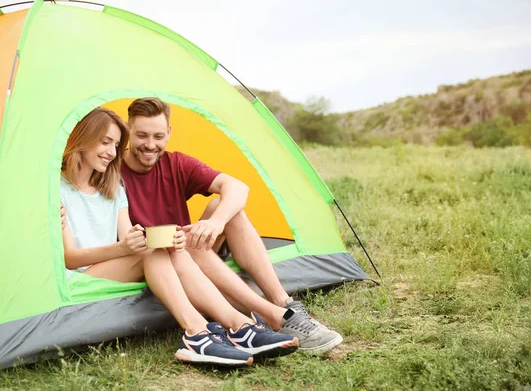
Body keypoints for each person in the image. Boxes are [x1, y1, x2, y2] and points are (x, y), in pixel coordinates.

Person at [60, 107, 297, 366]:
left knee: (162, 246)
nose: (111, 152)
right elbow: (70, 259)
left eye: (116, 145)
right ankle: (197, 332)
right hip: (80, 276)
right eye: (105, 142)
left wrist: (162, 239)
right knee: (150, 250)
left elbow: (129, 235)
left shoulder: (113, 186)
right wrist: (126, 247)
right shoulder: (56, 189)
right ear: (82, 138)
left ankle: (239, 325)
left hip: (113, 267)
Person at [121, 97, 343, 354]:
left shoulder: (176, 163)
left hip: (191, 256)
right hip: (155, 262)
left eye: (158, 136)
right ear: (128, 130)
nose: (150, 145)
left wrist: (216, 223)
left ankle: (283, 301)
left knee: (226, 208)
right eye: (142, 136)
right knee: (184, 245)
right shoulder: (112, 172)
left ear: (169, 132)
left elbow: (238, 187)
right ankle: (274, 316)